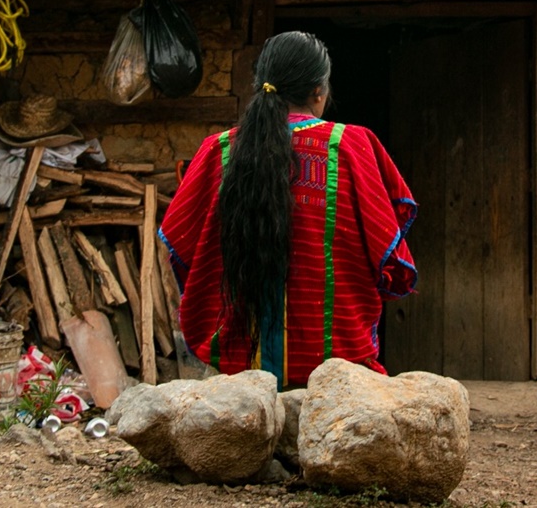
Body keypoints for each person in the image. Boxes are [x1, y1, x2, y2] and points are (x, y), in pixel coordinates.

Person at [159, 31, 417, 389]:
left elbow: (183, 248)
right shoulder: (352, 147)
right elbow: (388, 253)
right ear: (318, 92)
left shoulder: (216, 151)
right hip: (335, 366)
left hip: (237, 369)